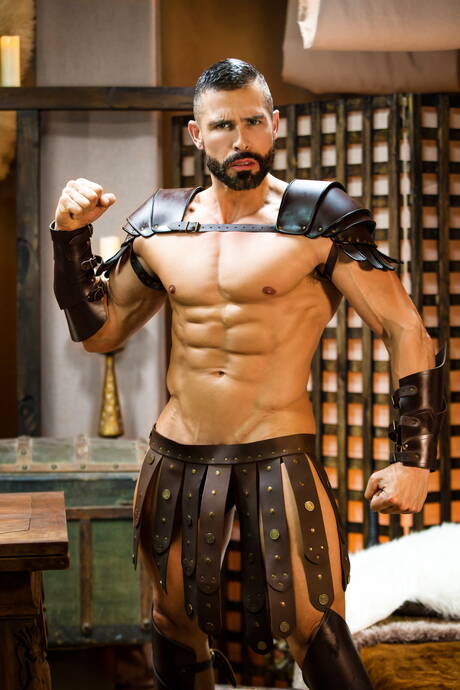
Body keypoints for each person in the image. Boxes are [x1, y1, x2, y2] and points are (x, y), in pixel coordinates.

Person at [50, 59, 446, 690]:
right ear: (196, 134)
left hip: (277, 450)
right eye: (223, 125)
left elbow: (406, 330)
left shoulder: (317, 218)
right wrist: (68, 238)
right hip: (178, 451)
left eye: (254, 122)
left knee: (315, 626)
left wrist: (416, 460)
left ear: (275, 124)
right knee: (172, 621)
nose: (242, 139)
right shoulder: (161, 222)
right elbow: (100, 334)